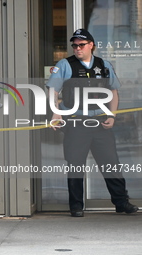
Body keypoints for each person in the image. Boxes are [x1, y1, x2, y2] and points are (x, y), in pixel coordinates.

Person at [46, 28, 139, 217]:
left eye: (81, 45)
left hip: (100, 122)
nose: (77, 48)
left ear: (91, 46)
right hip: (76, 122)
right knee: (75, 164)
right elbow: (53, 91)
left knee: (111, 163)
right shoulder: (65, 65)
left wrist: (112, 115)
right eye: (74, 45)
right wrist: (56, 114)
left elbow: (113, 91)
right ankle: (76, 206)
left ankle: (121, 203)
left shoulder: (104, 65)